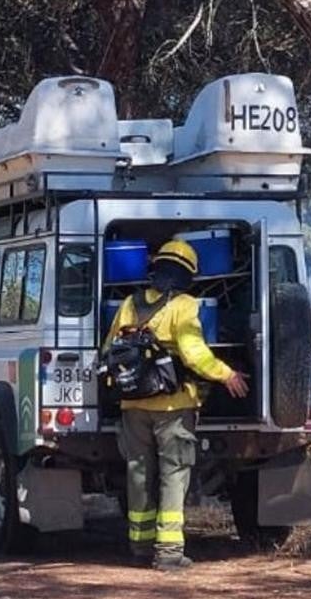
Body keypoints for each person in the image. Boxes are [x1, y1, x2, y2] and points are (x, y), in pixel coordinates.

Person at [104, 240, 249, 572]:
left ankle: (139, 545)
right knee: (173, 475)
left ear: (155, 271)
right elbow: (193, 353)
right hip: (173, 406)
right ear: (187, 276)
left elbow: (110, 349)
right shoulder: (185, 305)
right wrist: (226, 375)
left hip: (133, 405)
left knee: (138, 473)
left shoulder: (129, 304)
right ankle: (169, 552)